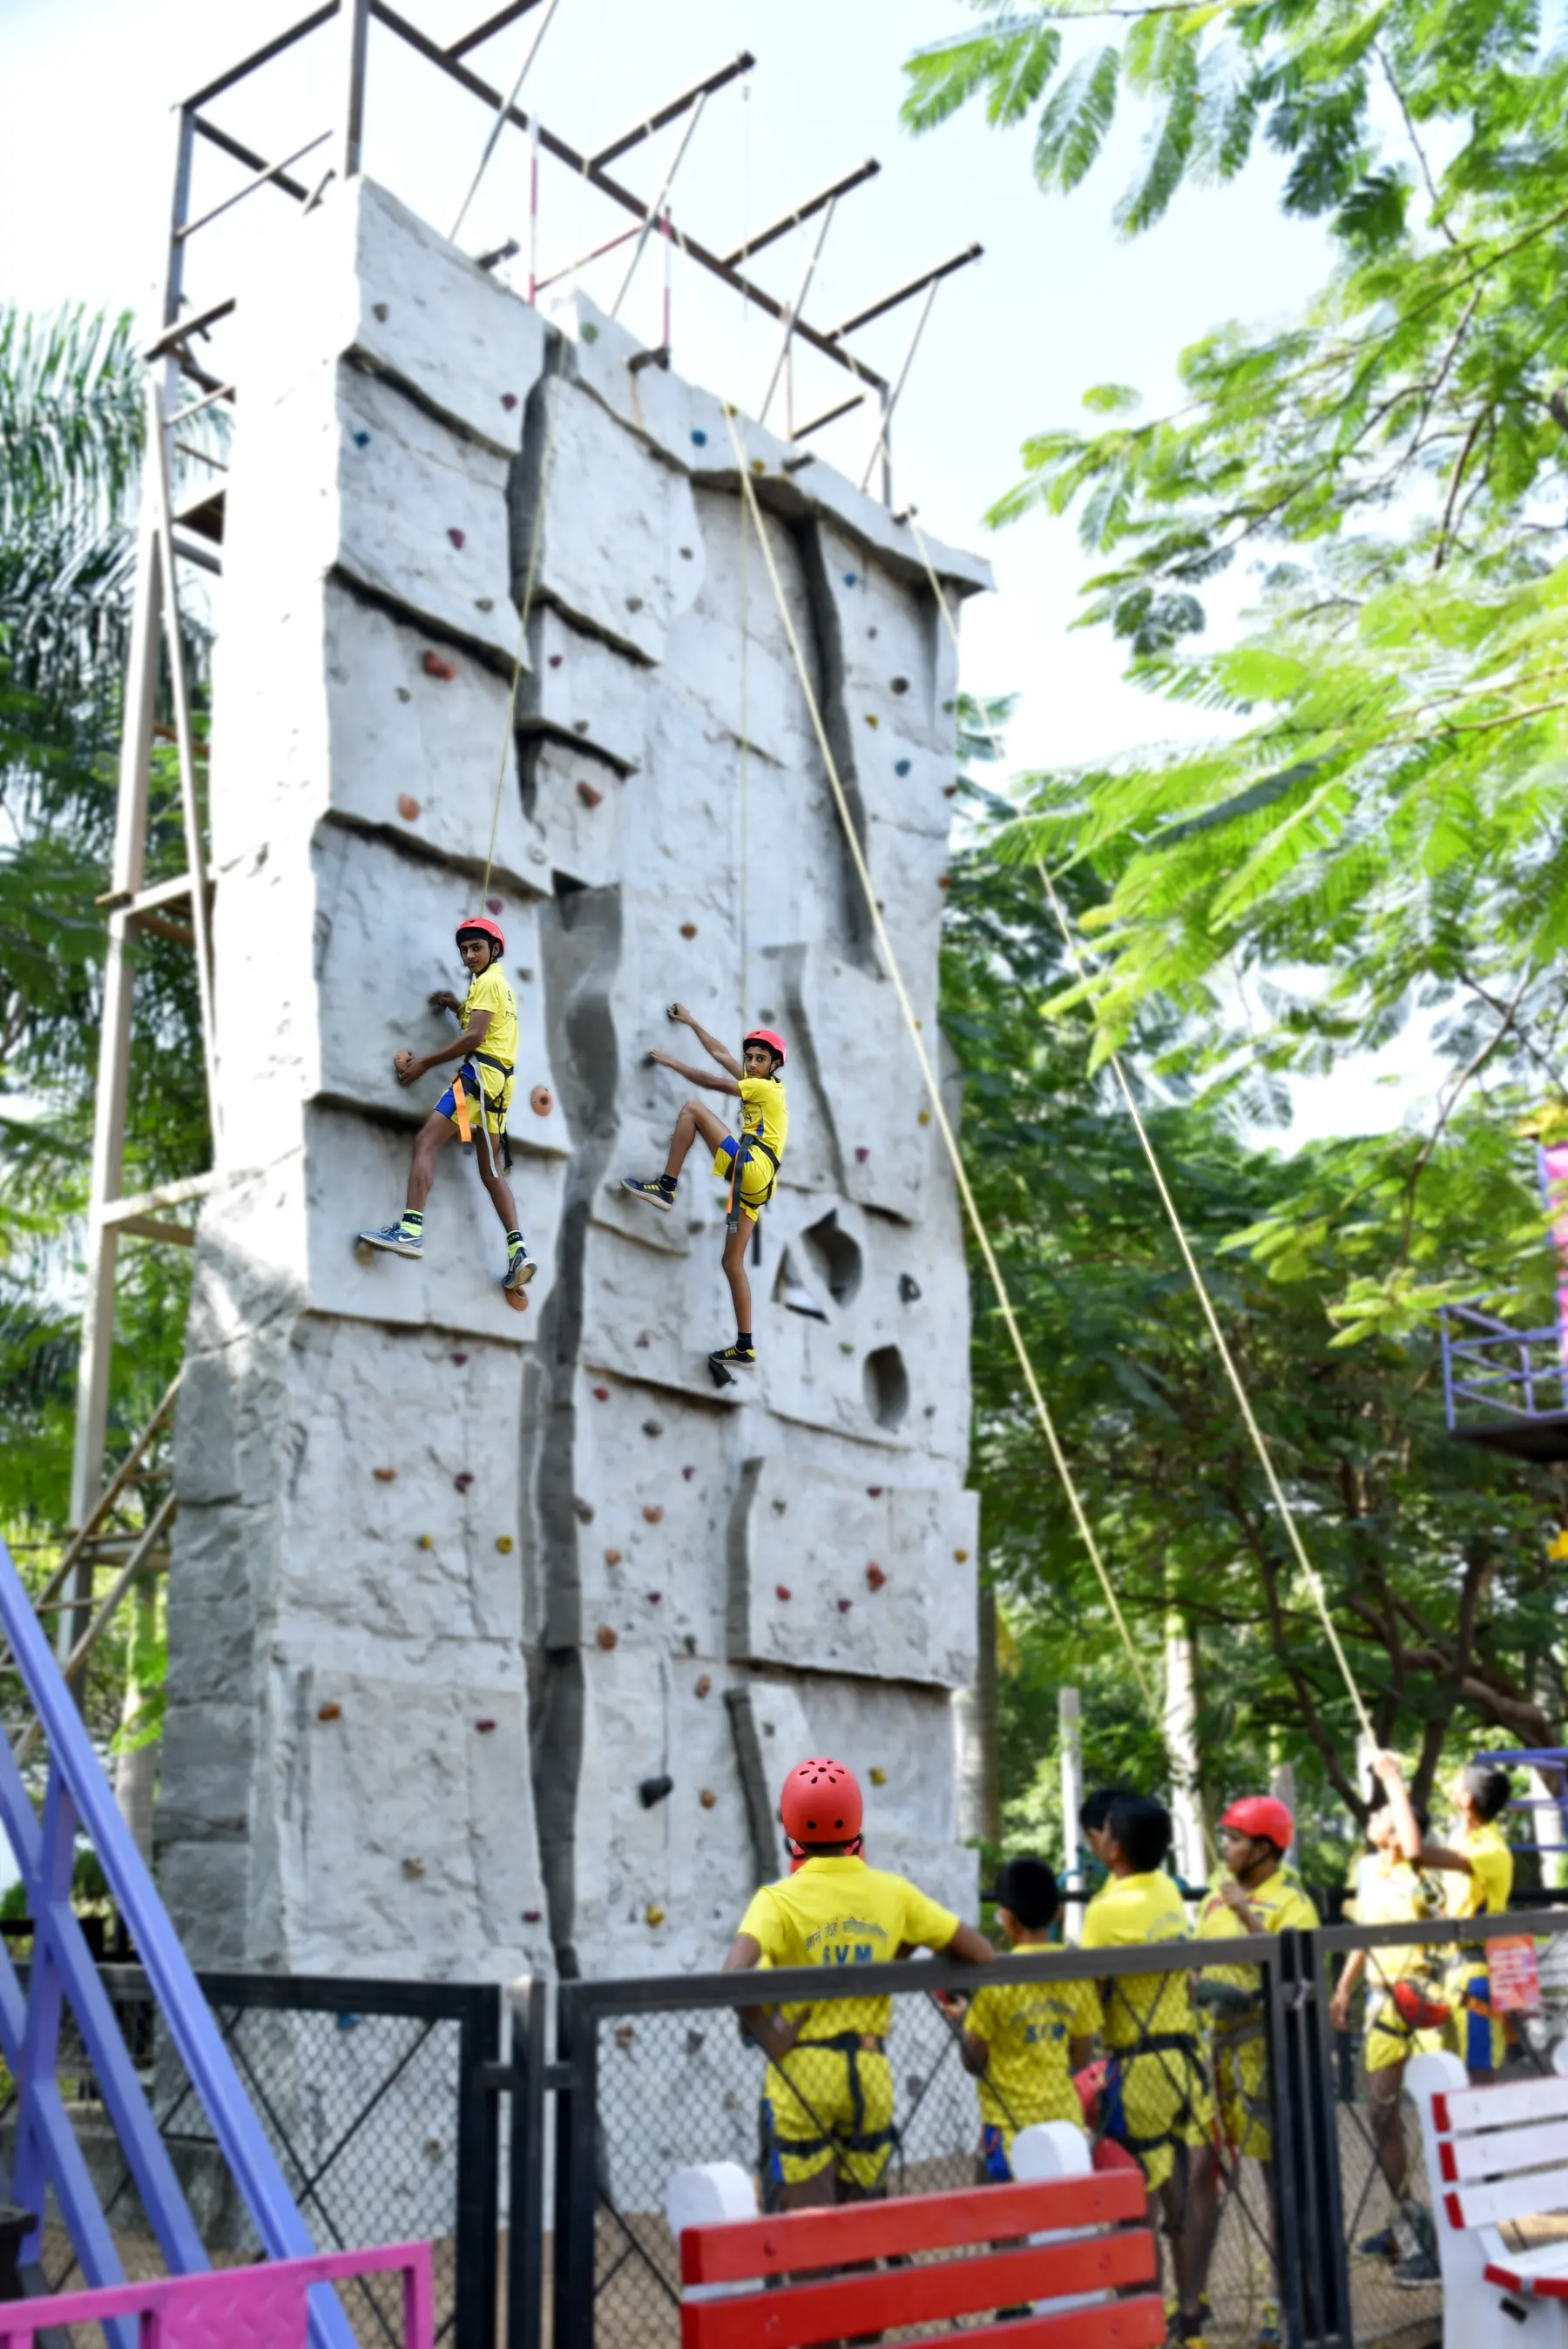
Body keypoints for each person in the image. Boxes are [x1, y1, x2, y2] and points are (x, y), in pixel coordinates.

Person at [721, 1757, 993, 2209]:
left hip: (802, 2074)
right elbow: (980, 1952)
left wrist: (771, 2035)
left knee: (807, 2238)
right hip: (868, 2075)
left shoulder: (777, 1900)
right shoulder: (893, 1893)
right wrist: (902, 1955)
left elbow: (734, 1978)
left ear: (791, 1830)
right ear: (855, 1822)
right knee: (860, 2237)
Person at [1081, 1793, 1217, 2349]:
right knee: (1183, 2202)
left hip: (1134, 2071)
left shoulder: (1104, 1911)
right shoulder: (1166, 1891)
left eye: (1103, 1832)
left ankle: (1144, 2329)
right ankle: (1190, 2319)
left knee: (1132, 2212)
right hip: (1183, 2062)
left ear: (1114, 1848)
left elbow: (1092, 1996)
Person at [1193, 1795, 1320, 2349]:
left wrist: (1247, 1913)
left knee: (1275, 2184)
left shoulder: (1293, 1904)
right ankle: (1191, 2299)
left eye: (1235, 1839)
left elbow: (1300, 1978)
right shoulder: (1211, 1900)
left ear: (1265, 1849)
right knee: (1200, 2171)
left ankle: (1280, 2299)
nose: (1225, 1848)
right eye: (1224, 1837)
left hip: (1264, 2060)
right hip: (1212, 2056)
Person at [357, 915, 537, 1293]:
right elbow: (483, 1026)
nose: (469, 955)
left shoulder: (487, 982)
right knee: (491, 1171)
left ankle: (409, 1229)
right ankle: (518, 1250)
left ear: (495, 950)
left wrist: (423, 1063)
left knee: (426, 1142)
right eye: (465, 950)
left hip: (476, 1081)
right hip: (500, 1086)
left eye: (477, 948)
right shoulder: (495, 985)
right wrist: (457, 1005)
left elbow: (474, 1038)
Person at [621, 1005, 787, 1373]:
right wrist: (693, 1021)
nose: (754, 1062)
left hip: (753, 1167)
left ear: (775, 1065)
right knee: (732, 1263)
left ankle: (666, 1186)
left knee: (694, 1109)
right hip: (757, 1186)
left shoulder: (763, 1087)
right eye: (751, 1057)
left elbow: (714, 1082)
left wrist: (673, 1063)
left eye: (762, 1058)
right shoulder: (756, 1081)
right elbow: (720, 1054)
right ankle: (745, 1346)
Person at [1328, 1772, 1444, 2288]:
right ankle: (1407, 2222)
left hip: (1422, 1999)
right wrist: (1343, 1988)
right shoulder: (1367, 1869)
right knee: (1381, 2115)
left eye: (1383, 1815)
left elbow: (1419, 1860)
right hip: (1382, 2000)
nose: (1371, 1818)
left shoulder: (1419, 1873)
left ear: (1400, 1833)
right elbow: (1366, 1933)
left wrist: (1395, 1778)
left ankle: (1441, 2231)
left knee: (1435, 2116)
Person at [951, 1855, 1099, 2181]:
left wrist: (964, 2020)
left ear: (1006, 1920)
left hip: (1008, 2130)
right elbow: (1083, 2054)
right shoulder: (1075, 1973)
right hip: (1065, 2124)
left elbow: (973, 2061)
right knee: (1063, 2221)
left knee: (1006, 2218)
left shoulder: (997, 1979)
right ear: (1057, 1911)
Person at [1370, 1750, 1514, 2085]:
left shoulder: (1490, 1849)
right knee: (1451, 2072)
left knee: (1479, 2069)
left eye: (1458, 1781)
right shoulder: (1462, 1839)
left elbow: (1415, 1852)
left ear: (1465, 1800)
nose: (1453, 1783)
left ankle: (1487, 2135)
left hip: (1475, 1972)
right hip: (1450, 1970)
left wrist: (1394, 1783)